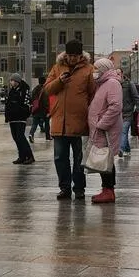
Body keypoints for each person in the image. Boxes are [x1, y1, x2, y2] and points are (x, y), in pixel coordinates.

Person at [43, 39, 95, 200]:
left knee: (79, 159)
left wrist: (90, 115)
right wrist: (59, 81)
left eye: (75, 55)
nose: (72, 58)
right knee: (60, 158)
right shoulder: (57, 68)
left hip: (79, 122)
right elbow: (47, 89)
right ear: (66, 54)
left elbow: (93, 94)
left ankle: (79, 188)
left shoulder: (88, 70)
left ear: (80, 55)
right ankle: (64, 188)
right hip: (59, 122)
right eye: (70, 55)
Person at [88, 58, 124, 204]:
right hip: (101, 129)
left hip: (106, 130)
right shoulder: (102, 83)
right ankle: (106, 189)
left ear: (103, 69)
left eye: (96, 68)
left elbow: (115, 106)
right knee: (104, 159)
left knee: (106, 159)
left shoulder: (112, 83)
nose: (94, 71)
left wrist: (102, 124)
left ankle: (108, 191)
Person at [3, 73, 35, 164]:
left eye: (12, 80)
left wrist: (22, 112)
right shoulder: (12, 91)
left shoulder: (24, 89)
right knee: (16, 138)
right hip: (12, 118)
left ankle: (30, 156)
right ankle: (22, 156)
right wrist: (7, 116)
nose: (11, 82)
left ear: (17, 81)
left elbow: (26, 103)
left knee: (20, 137)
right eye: (11, 80)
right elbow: (8, 104)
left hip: (20, 118)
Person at [120, 71, 139, 155]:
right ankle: (127, 149)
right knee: (122, 132)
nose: (117, 75)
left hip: (128, 111)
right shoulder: (115, 84)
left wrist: (138, 107)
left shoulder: (129, 84)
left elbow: (135, 96)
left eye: (119, 73)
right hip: (119, 113)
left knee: (124, 131)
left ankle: (121, 149)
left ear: (122, 74)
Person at [28, 77, 51, 141]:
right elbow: (46, 101)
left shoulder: (35, 89)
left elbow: (31, 99)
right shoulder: (45, 89)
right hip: (43, 110)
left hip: (36, 109)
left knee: (34, 123)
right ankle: (48, 137)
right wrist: (48, 110)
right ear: (45, 81)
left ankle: (31, 134)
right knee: (47, 123)